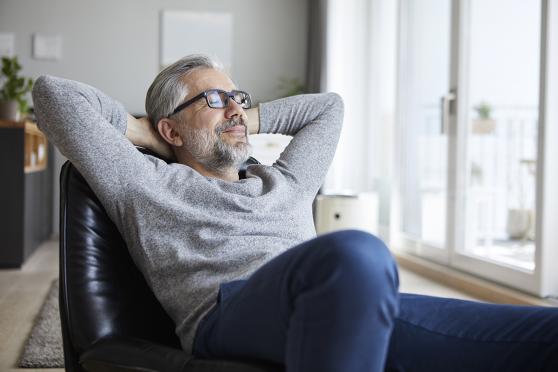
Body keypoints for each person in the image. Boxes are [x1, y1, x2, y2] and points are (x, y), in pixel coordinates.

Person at [32, 54, 557, 372]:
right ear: (171, 130)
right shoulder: (146, 182)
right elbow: (54, 94)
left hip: (342, 298)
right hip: (228, 311)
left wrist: (235, 115)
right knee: (356, 252)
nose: (235, 106)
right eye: (213, 98)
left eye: (237, 95)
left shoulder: (285, 180)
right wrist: (148, 131)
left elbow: (328, 107)